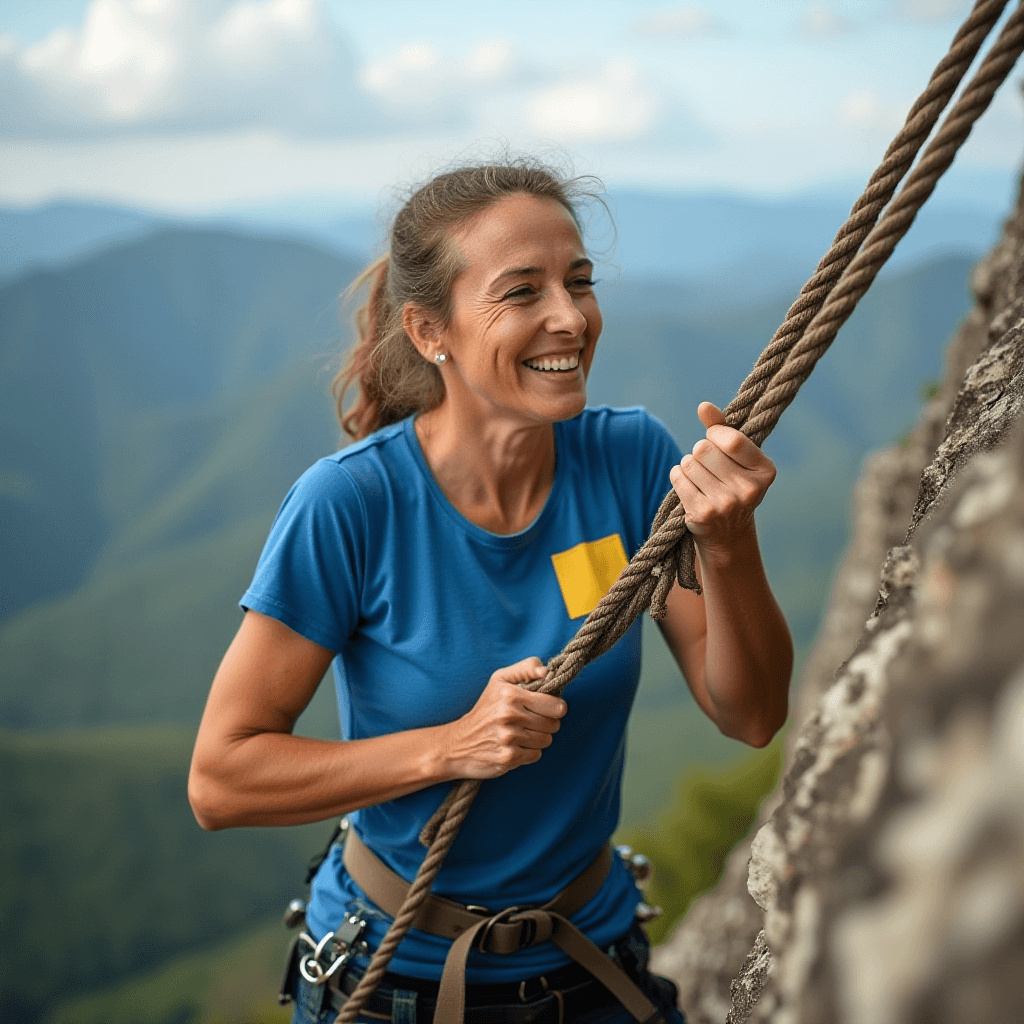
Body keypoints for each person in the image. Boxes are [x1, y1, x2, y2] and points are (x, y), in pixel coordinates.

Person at [188, 160, 792, 1024]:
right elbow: (222, 778)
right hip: (396, 978)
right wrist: (449, 747)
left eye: (578, 282)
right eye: (523, 292)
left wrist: (729, 547)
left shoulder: (626, 462)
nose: (570, 317)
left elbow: (751, 713)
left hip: (591, 960)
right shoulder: (353, 504)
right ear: (431, 330)